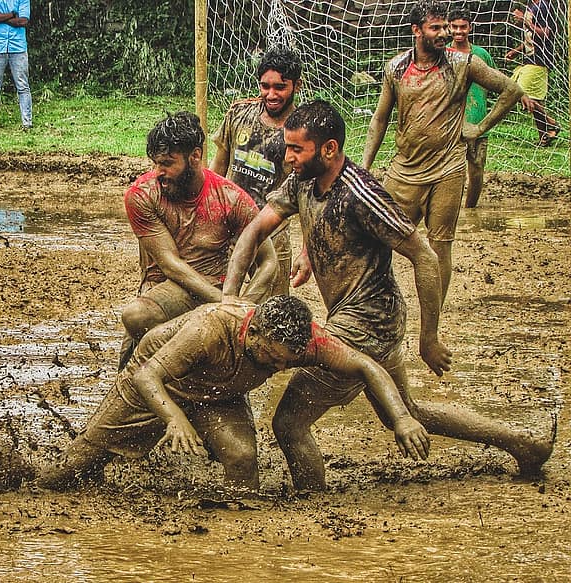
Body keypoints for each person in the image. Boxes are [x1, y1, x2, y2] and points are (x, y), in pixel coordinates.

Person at [224, 100, 554, 492]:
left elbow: (425, 256)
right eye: (287, 147)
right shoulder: (302, 182)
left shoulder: (363, 194)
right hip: (358, 318)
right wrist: (228, 297)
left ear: (329, 149)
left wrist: (429, 337)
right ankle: (523, 444)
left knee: (289, 422)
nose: (287, 156)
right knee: (407, 411)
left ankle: (311, 506)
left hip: (369, 323)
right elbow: (253, 231)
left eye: (297, 149)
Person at [38, 295, 431, 492]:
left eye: (286, 363)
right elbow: (147, 376)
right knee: (68, 473)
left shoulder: (304, 342)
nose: (277, 369)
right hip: (153, 384)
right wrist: (174, 418)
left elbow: (367, 365)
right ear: (252, 331)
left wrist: (401, 417)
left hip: (219, 393)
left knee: (243, 458)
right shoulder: (210, 328)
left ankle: (234, 531)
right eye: (270, 358)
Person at [362, 0, 523, 307]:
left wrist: (479, 128)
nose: (444, 33)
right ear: (416, 30)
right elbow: (380, 118)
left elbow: (511, 90)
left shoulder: (463, 64)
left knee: (440, 246)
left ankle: (432, 315)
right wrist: (366, 164)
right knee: (378, 237)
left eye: (445, 27)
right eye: (435, 27)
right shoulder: (396, 68)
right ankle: (377, 303)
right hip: (405, 169)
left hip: (448, 169)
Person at [119, 111, 276, 369]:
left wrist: (244, 309)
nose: (159, 172)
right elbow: (171, 264)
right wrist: (222, 303)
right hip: (168, 286)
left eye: (168, 163)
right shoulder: (142, 196)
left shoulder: (231, 199)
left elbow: (269, 262)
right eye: (156, 163)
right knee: (136, 317)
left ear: (195, 156)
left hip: (216, 287)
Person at [211, 47, 303, 297]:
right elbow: (218, 167)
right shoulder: (239, 113)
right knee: (218, 302)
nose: (271, 94)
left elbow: (309, 194)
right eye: (265, 86)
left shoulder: (302, 131)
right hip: (229, 229)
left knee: (272, 315)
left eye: (280, 87)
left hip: (274, 235)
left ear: (297, 85)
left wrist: (307, 251)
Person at [447, 7, 496, 208]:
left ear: (470, 28)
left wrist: (522, 97)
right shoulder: (443, 54)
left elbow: (497, 81)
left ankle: (470, 209)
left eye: (463, 27)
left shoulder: (481, 55)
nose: (459, 31)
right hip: (451, 125)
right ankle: (451, 210)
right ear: (449, 28)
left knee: (476, 172)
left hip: (477, 123)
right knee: (451, 173)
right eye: (455, 27)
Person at [506, 0, 560, 146]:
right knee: (534, 99)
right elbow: (531, 39)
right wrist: (516, 51)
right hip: (530, 59)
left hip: (540, 60)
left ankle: (552, 123)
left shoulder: (545, 6)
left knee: (518, 91)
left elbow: (546, 34)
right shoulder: (532, 6)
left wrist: (524, 20)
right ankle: (544, 136)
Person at [0, 0, 32, 130]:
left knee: (23, 85)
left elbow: (23, 21)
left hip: (18, 47)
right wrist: (12, 14)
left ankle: (27, 122)